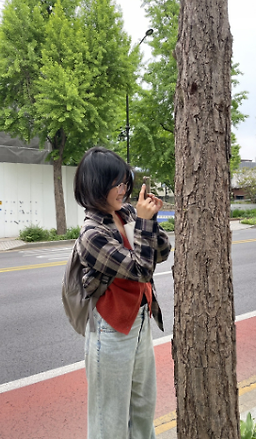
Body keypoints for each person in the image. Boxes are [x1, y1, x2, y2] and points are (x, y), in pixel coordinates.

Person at [73, 146, 171, 439]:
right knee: (110, 420)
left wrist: (149, 218)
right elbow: (141, 269)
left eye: (125, 182)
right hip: (111, 330)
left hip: (140, 322)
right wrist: (142, 224)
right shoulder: (92, 233)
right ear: (96, 185)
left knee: (142, 410)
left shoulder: (126, 213)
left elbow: (163, 252)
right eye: (116, 183)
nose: (123, 189)